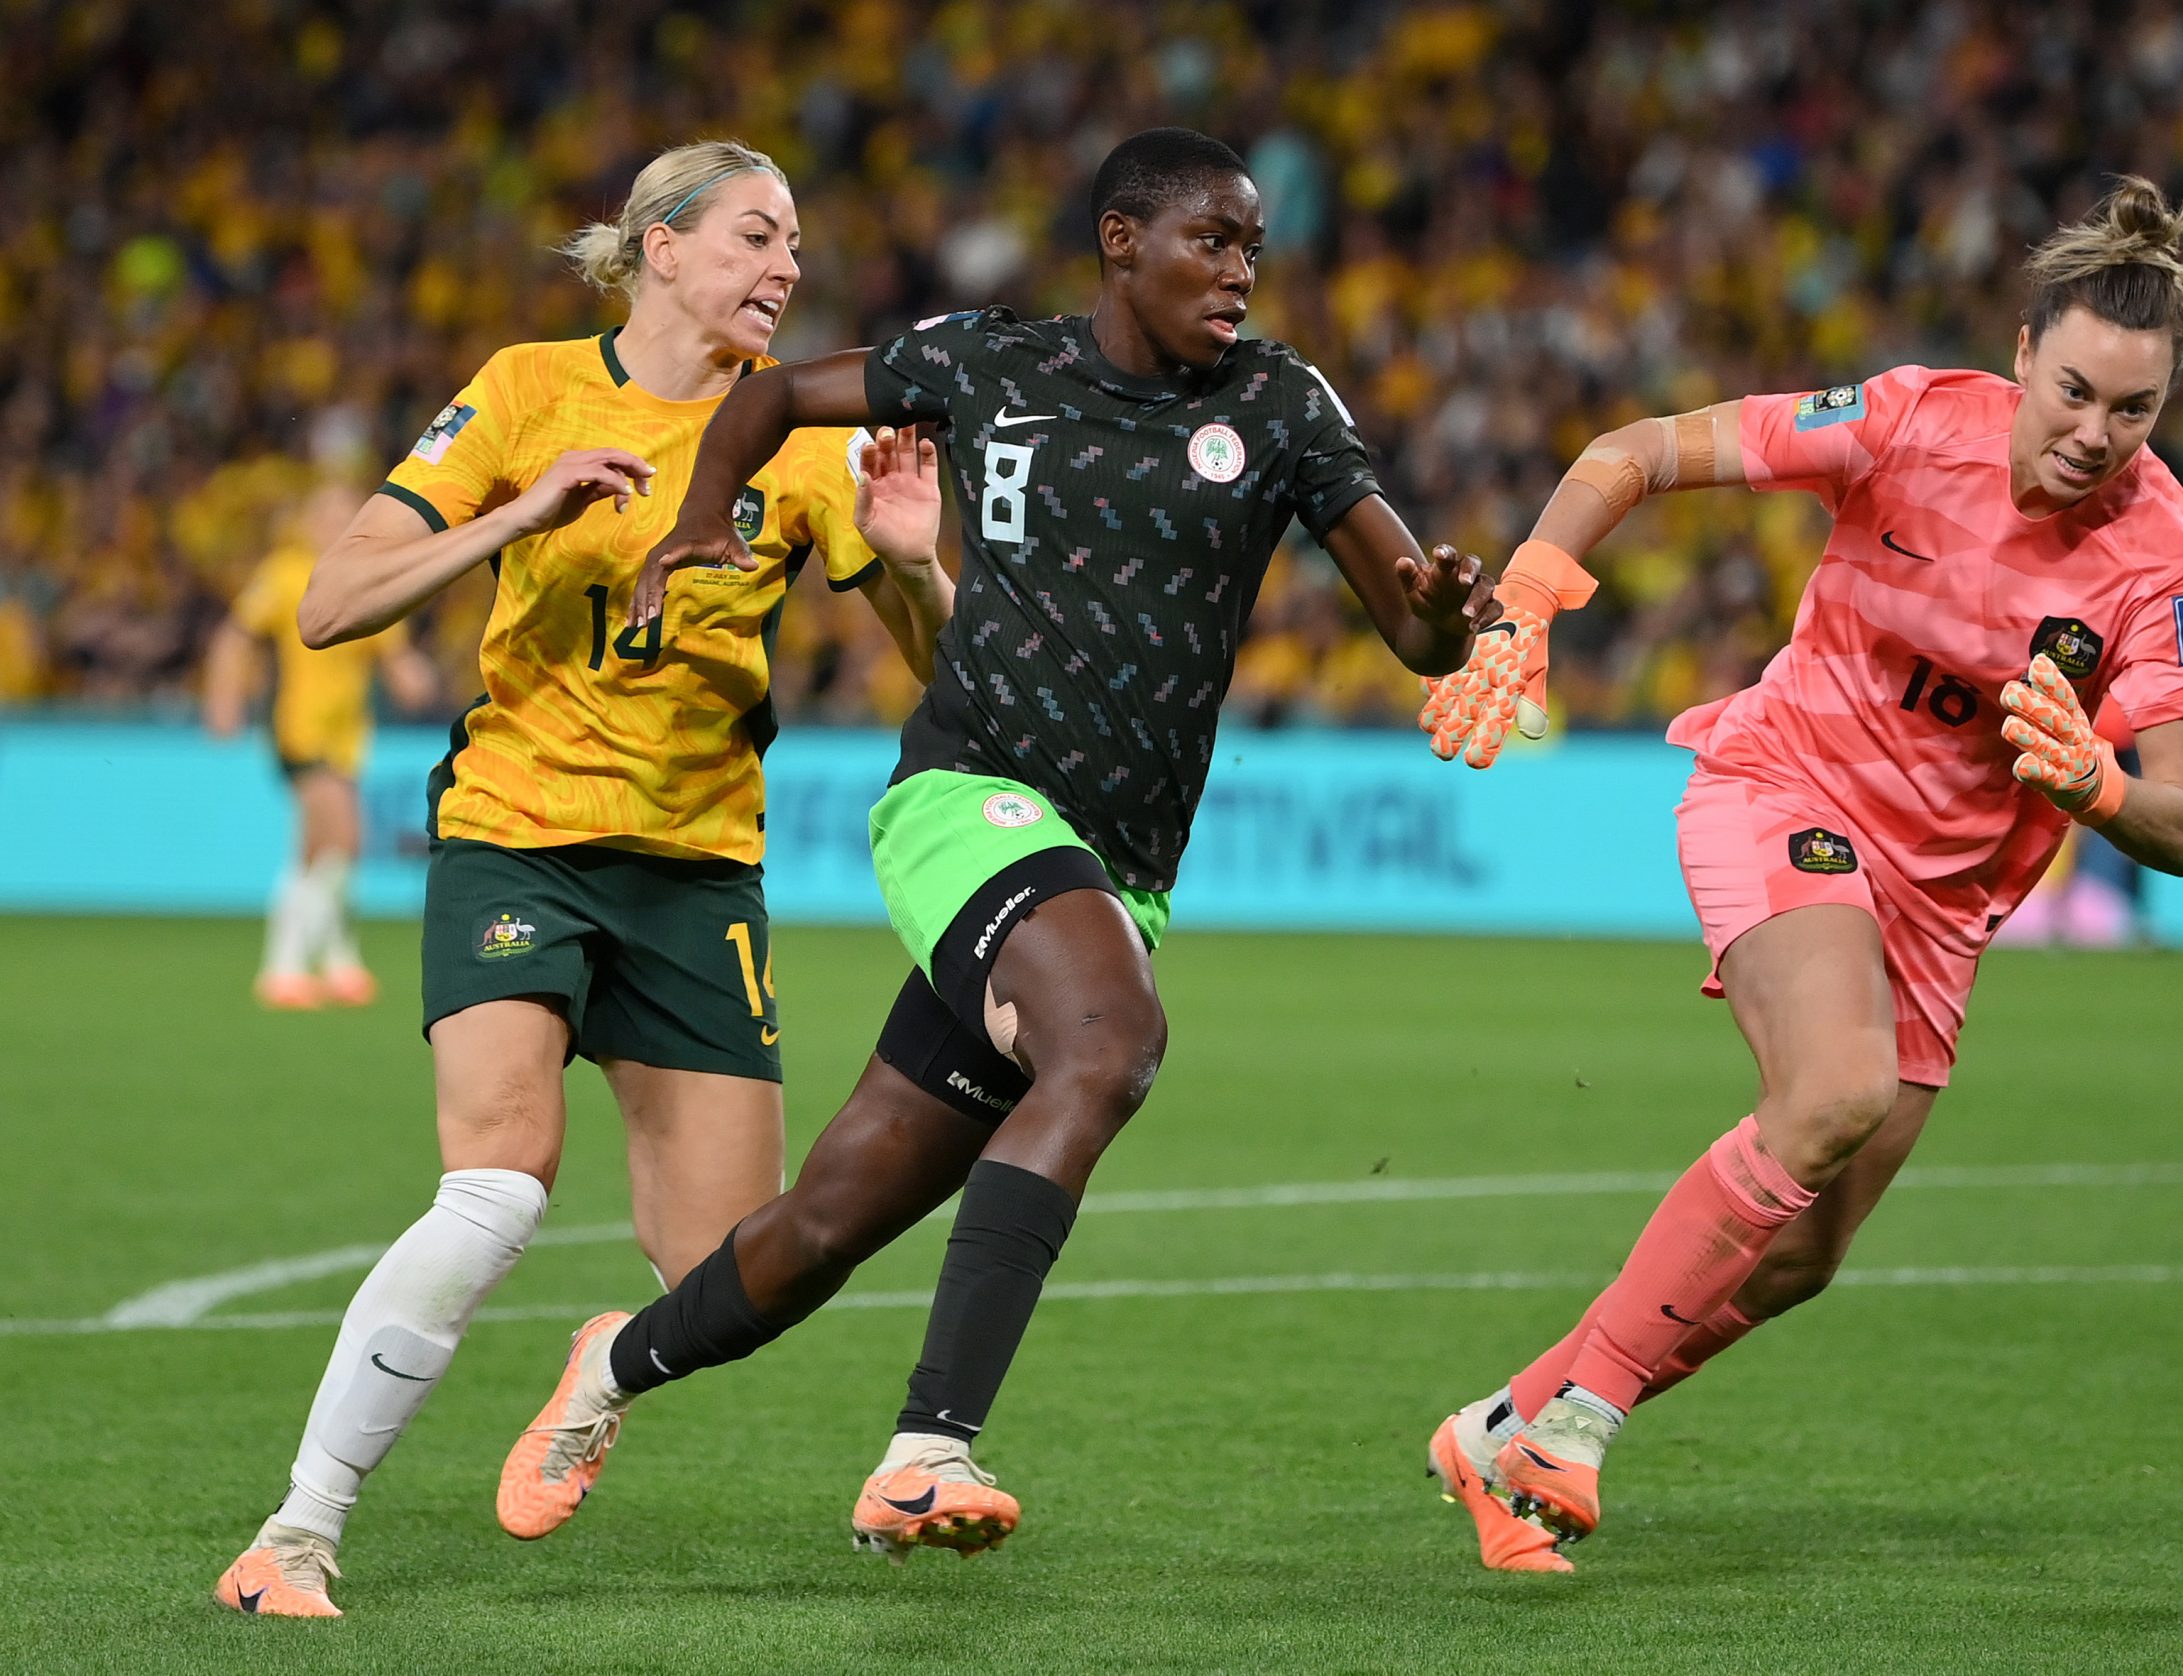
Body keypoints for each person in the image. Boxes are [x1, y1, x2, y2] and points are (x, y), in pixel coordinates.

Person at [493, 127, 1495, 1563]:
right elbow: (771, 398)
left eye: (1255, 249)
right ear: (1122, 244)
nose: (1240, 274)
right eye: (1212, 242)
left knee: (828, 1225)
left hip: (1117, 861)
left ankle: (608, 1369)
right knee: (1109, 1047)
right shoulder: (990, 365)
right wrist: (701, 516)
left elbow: (1409, 620)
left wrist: (1449, 616)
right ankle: (925, 1452)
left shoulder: (1278, 404)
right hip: (973, 794)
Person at [1417, 177, 2183, 1573]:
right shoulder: (1909, 422)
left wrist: (2093, 783)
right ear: (2025, 354)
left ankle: (1502, 1424)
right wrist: (1534, 591)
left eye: (2135, 411)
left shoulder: (2167, 560)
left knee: (1799, 1257)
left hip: (1943, 905)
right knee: (1834, 1092)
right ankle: (1582, 1419)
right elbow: (1638, 448)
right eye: (2077, 390)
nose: (2097, 434)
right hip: (1782, 787)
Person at [214, 138, 953, 1618]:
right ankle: (294, 1537)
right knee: (496, 1182)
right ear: (660, 248)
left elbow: (951, 687)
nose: (785, 268)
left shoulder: (806, 438)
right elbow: (329, 603)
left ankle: (603, 1367)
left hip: (697, 872)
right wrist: (518, 512)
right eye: (755, 236)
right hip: (519, 835)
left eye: (796, 244)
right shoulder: (526, 388)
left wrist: (917, 562)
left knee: (741, 1272)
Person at [203, 480, 442, 1007]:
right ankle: (283, 965)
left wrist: (413, 677)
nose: (338, 524)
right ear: (308, 523)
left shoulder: (366, 579)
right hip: (298, 727)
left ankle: (335, 961)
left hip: (347, 737)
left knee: (326, 849)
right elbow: (236, 634)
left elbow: (394, 658)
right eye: (328, 514)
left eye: (346, 515)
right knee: (340, 837)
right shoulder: (287, 572)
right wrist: (223, 695)